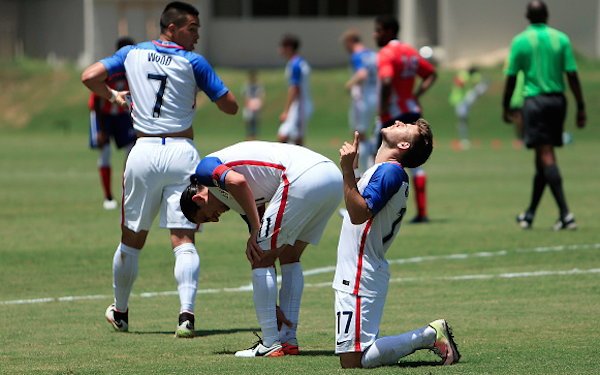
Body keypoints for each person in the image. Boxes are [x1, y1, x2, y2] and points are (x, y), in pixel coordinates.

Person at [81, 1, 238, 338]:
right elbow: (230, 106)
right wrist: (204, 89)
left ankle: (120, 311)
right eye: (191, 28)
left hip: (144, 151)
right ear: (172, 28)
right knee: (184, 239)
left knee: (131, 240)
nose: (197, 35)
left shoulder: (133, 53)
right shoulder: (193, 61)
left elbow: (89, 76)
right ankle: (186, 316)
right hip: (183, 153)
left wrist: (114, 96)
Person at [180, 141, 343, 357]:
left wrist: (256, 229)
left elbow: (237, 180)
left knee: (259, 258)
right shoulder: (239, 201)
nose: (214, 220)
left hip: (302, 176)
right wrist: (271, 306)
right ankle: (287, 340)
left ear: (199, 198)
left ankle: (271, 344)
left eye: (205, 217)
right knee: (288, 255)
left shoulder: (203, 172)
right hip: (331, 176)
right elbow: (265, 241)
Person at [333, 119, 460, 369]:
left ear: (403, 145)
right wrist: (355, 170)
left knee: (353, 362)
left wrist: (347, 171)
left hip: (360, 271)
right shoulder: (384, 171)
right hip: (361, 269)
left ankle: (430, 335)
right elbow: (358, 206)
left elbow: (358, 214)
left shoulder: (390, 172)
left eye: (405, 127)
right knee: (353, 359)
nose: (399, 121)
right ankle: (430, 335)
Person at [502, 0, 586, 231]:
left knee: (546, 155)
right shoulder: (561, 38)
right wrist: (580, 105)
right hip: (558, 101)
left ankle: (566, 214)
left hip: (535, 102)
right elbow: (572, 74)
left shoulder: (520, 41)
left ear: (527, 17)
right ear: (547, 14)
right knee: (542, 158)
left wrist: (506, 106)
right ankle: (529, 214)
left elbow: (511, 77)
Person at [374, 15, 437, 223]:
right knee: (415, 163)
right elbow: (431, 74)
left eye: (379, 30)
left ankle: (372, 208)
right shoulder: (410, 51)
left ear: (389, 31)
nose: (375, 34)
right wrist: (417, 95)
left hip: (393, 115)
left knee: (379, 161)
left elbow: (386, 79)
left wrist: (382, 105)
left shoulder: (386, 53)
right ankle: (422, 211)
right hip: (413, 111)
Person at [88, 37, 137, 210]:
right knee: (105, 151)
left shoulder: (137, 68)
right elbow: (96, 101)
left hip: (124, 115)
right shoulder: (109, 68)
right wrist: (101, 130)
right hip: (104, 115)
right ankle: (108, 197)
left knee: (132, 153)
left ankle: (127, 193)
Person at [341, 29, 379, 172]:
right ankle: (371, 166)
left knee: (359, 135)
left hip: (362, 98)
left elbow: (362, 74)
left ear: (350, 42)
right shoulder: (373, 54)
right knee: (370, 135)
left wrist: (349, 84)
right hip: (375, 95)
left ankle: (365, 171)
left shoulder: (357, 55)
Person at [277, 34, 313, 146]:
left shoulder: (295, 64)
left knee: (297, 140)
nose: (280, 50)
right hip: (297, 106)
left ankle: (302, 162)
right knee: (283, 136)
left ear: (289, 48)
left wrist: (286, 111)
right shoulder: (298, 62)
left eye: (282, 46)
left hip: (300, 106)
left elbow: (294, 88)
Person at [448, 67, 488, 150]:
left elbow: (482, 82)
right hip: (459, 100)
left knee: (463, 119)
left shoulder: (474, 76)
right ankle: (464, 139)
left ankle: (464, 139)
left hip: (464, 100)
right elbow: (459, 83)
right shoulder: (463, 75)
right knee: (462, 119)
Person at [241, 69, 265, 140]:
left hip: (256, 107)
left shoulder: (258, 85)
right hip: (248, 107)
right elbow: (244, 96)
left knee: (255, 123)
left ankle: (254, 137)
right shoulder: (246, 85)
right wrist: (248, 104)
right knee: (248, 122)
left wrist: (259, 104)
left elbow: (261, 95)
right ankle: (249, 137)